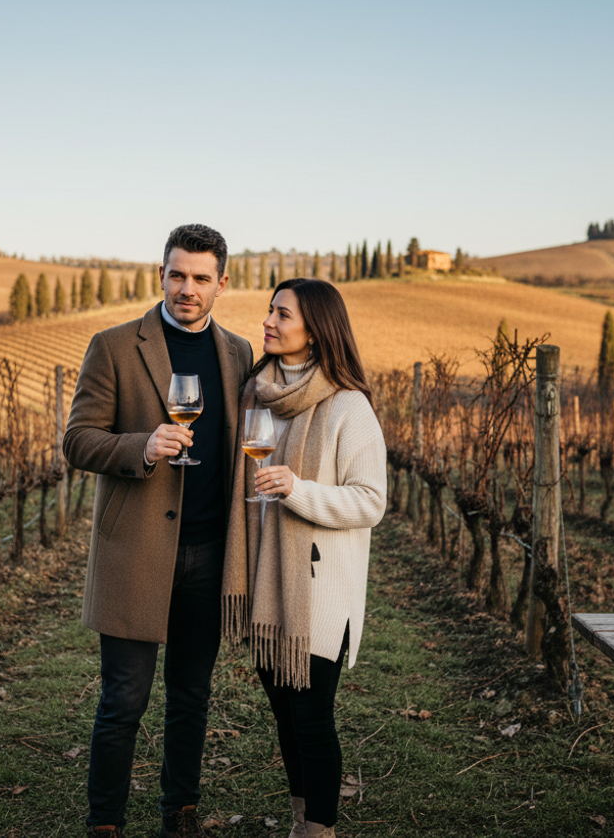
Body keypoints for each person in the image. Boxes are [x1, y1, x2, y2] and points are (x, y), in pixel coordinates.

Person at [63, 224, 253, 838]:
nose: (187, 289)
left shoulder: (239, 354)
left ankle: (181, 812)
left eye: (201, 278)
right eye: (177, 275)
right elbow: (77, 441)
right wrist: (143, 446)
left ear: (222, 283)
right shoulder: (115, 346)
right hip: (138, 552)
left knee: (192, 697)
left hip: (209, 551)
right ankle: (105, 823)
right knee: (124, 701)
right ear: (161, 274)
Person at [222, 278, 387, 838]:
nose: (268, 320)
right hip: (269, 584)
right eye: (269, 310)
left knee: (312, 720)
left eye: (282, 314)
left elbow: (371, 501)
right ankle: (300, 823)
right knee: (285, 718)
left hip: (319, 593)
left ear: (315, 331)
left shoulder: (349, 407)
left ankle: (320, 831)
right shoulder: (255, 394)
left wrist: (297, 489)